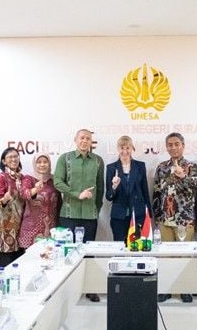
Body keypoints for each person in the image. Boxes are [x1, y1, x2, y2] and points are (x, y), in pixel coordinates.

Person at [54, 128, 104, 302]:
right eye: (82, 138)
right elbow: (57, 182)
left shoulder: (98, 161)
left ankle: (89, 288)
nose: (85, 141)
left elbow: (100, 188)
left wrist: (96, 208)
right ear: (76, 140)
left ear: (91, 142)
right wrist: (77, 194)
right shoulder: (65, 159)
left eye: (88, 138)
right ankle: (66, 290)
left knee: (88, 252)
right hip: (69, 214)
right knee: (68, 252)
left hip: (90, 215)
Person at [152, 132, 197, 303]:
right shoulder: (161, 167)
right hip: (165, 219)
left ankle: (184, 289)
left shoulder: (191, 165)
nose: (173, 147)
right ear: (166, 147)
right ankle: (166, 289)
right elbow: (157, 191)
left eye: (176, 144)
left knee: (183, 255)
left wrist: (183, 176)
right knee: (165, 256)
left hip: (184, 220)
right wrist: (156, 216)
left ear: (183, 145)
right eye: (170, 144)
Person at [105, 136, 151, 243]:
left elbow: (145, 189)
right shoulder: (111, 167)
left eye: (128, 148)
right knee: (120, 247)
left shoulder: (140, 166)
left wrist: (149, 212)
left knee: (137, 246)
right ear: (118, 149)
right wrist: (114, 186)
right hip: (119, 216)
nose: (125, 151)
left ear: (132, 148)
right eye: (122, 148)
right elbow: (108, 196)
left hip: (138, 214)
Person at [19, 153, 61, 249]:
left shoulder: (54, 180)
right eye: (39, 162)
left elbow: (59, 202)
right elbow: (23, 195)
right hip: (31, 228)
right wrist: (35, 190)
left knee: (49, 258)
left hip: (51, 227)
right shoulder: (28, 179)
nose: (42, 165)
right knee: (31, 260)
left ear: (49, 164)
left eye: (45, 162)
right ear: (35, 164)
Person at [0, 147, 25, 269]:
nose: (14, 159)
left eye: (16, 156)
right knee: (6, 260)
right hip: (6, 226)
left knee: (19, 260)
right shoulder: (2, 177)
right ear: (4, 161)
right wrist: (5, 199)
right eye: (10, 157)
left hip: (21, 224)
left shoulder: (22, 178)